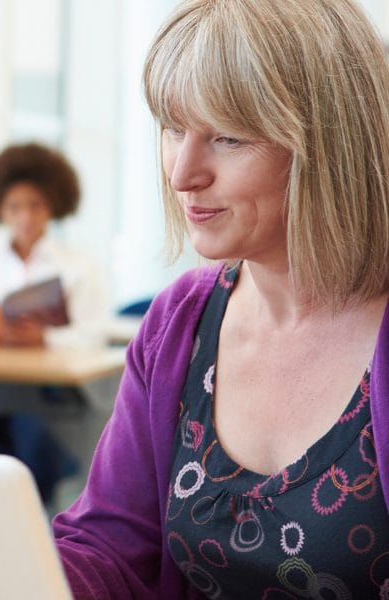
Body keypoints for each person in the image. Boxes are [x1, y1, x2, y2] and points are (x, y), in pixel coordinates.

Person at [53, 0, 389, 597]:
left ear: (328, 146)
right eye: (174, 128)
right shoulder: (180, 321)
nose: (182, 174)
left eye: (228, 137)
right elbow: (110, 547)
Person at [0, 142, 109, 349]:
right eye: (14, 207)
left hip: (54, 378)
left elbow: (94, 336)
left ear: (52, 206)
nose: (26, 217)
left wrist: (45, 338)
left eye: (35, 205)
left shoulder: (80, 267)